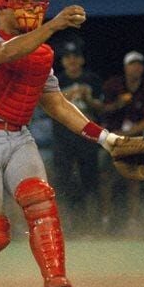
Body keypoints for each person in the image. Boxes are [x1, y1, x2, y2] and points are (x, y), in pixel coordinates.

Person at [0, 0, 136, 287]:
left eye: (36, 3)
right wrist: (53, 26)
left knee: (41, 202)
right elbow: (6, 53)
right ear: (1, 7)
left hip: (18, 135)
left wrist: (107, 139)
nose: (31, 10)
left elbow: (57, 104)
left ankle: (56, 283)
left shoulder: (38, 51)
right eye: (24, 2)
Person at [98, 51, 144, 233]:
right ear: (125, 67)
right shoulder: (112, 85)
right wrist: (118, 104)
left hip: (135, 140)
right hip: (111, 141)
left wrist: (127, 134)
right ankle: (105, 220)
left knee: (135, 178)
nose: (136, 67)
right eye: (132, 64)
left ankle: (132, 222)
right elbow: (102, 110)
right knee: (104, 175)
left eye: (139, 64)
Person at [52, 42, 103, 233]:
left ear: (81, 59)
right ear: (63, 61)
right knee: (64, 182)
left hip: (87, 138)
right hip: (63, 138)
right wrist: (66, 96)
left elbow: (101, 108)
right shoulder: (56, 80)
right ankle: (65, 225)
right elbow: (48, 106)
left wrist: (88, 98)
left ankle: (93, 226)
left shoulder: (92, 79)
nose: (72, 60)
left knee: (90, 181)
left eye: (75, 56)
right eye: (67, 57)